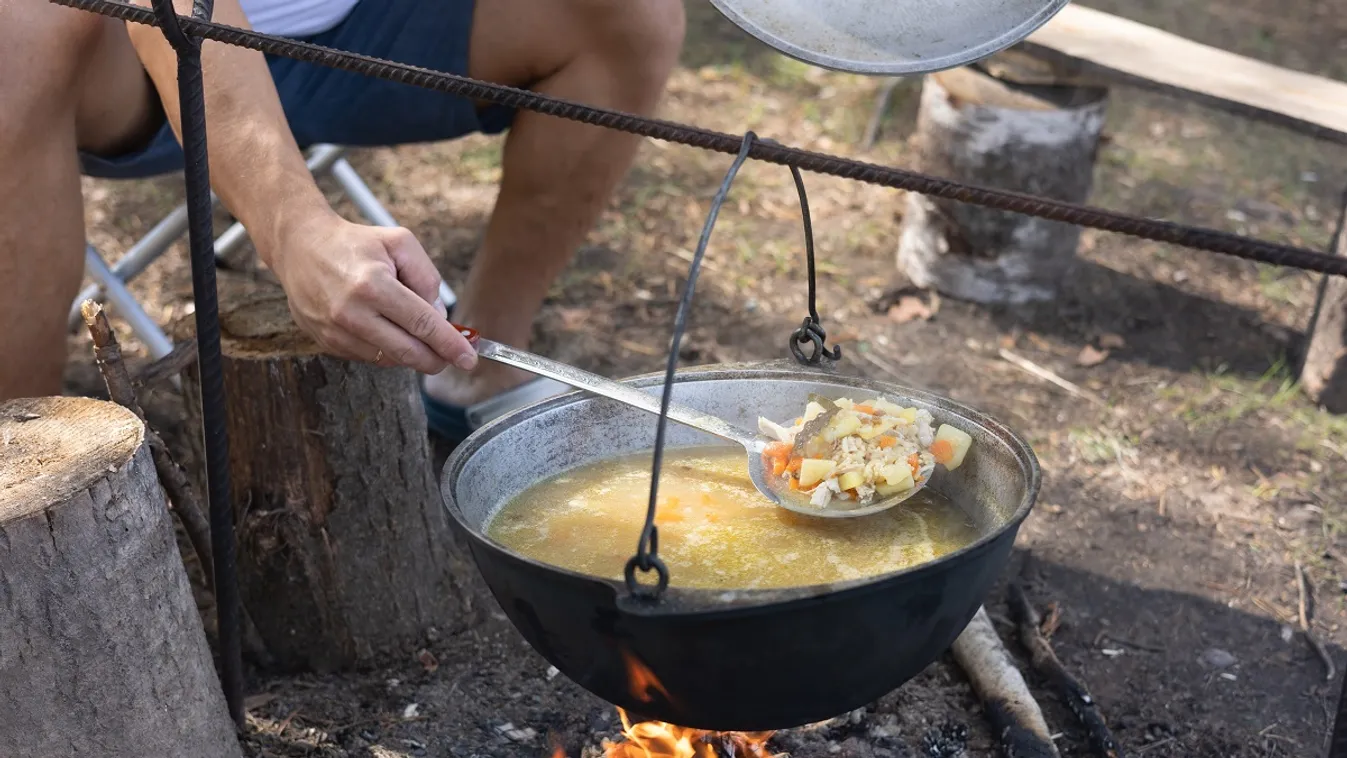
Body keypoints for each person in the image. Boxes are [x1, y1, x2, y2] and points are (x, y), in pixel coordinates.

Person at [2, 0, 686, 441]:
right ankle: (27, 478)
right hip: (124, 50)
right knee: (15, 37)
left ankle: (476, 369)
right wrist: (295, 227)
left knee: (632, 10)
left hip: (366, 22)